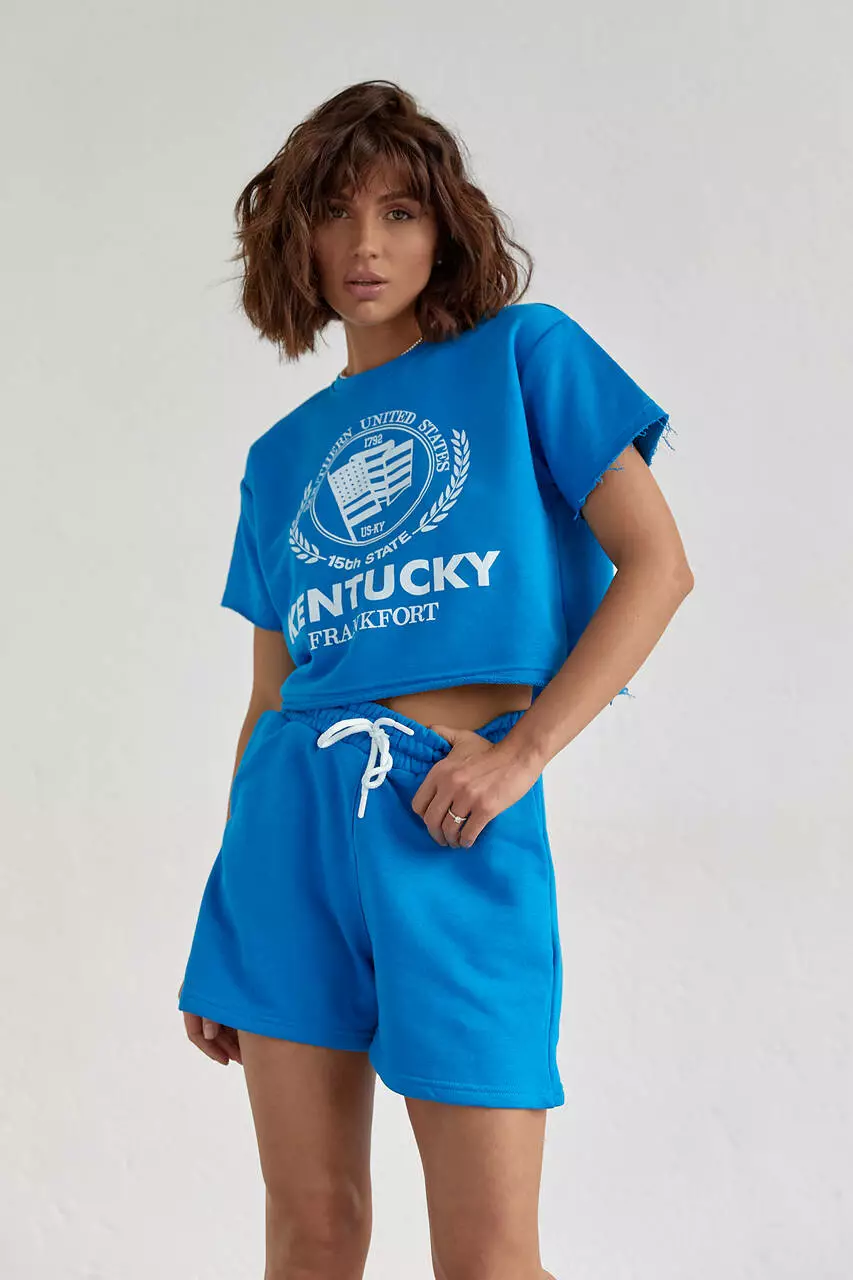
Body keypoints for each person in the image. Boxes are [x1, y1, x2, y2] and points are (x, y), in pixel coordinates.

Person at [177, 78, 693, 1280]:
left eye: (398, 212)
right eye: (334, 213)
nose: (365, 245)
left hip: (449, 814)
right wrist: (224, 902)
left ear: (442, 229)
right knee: (310, 1233)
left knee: (487, 1254)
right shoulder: (279, 459)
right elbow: (269, 696)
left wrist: (522, 752)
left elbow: (659, 565)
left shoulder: (525, 355)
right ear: (295, 239)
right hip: (284, 841)